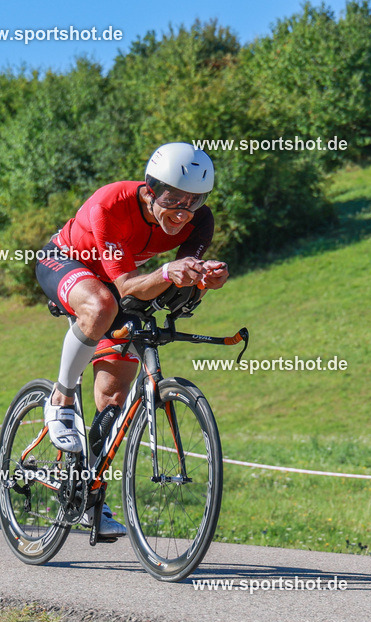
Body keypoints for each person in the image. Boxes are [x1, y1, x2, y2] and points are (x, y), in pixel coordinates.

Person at [34, 142, 229, 538]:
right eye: (173, 199)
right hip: (67, 262)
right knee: (100, 305)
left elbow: (176, 283)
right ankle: (61, 396)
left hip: (119, 283)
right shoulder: (111, 204)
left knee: (113, 398)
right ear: (150, 189)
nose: (182, 211)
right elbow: (126, 285)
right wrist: (168, 271)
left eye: (194, 201)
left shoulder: (200, 221)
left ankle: (89, 496)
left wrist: (203, 278)